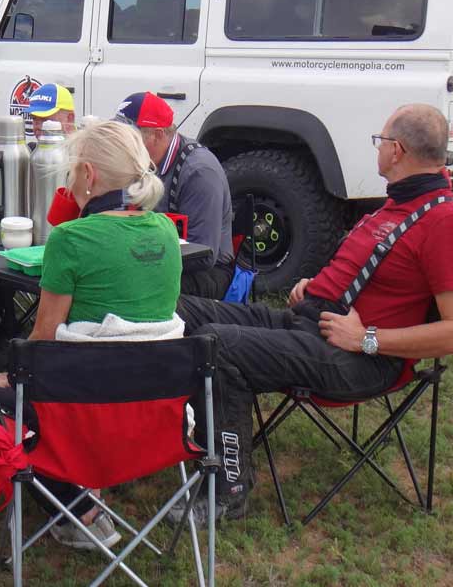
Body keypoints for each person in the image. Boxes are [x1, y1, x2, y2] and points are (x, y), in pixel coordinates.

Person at [174, 104, 453, 524]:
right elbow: (367, 267)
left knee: (218, 345)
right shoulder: (398, 203)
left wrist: (368, 339)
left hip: (358, 359)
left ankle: (226, 492)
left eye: (380, 141)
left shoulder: (441, 219)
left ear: (396, 151)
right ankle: (158, 433)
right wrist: (317, 285)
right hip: (312, 322)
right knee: (183, 311)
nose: (376, 148)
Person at [0, 120, 183, 550]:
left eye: (71, 172)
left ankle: (80, 512)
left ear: (88, 174)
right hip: (158, 413)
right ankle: (85, 494)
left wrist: (7, 379)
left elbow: (43, 339)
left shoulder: (71, 238)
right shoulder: (165, 230)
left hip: (86, 412)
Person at [114, 91, 234, 299]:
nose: (123, 142)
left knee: (127, 284)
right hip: (156, 257)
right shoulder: (141, 160)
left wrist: (135, 260)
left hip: (207, 273)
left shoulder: (199, 172)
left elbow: (204, 254)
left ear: (158, 135)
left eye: (130, 135)